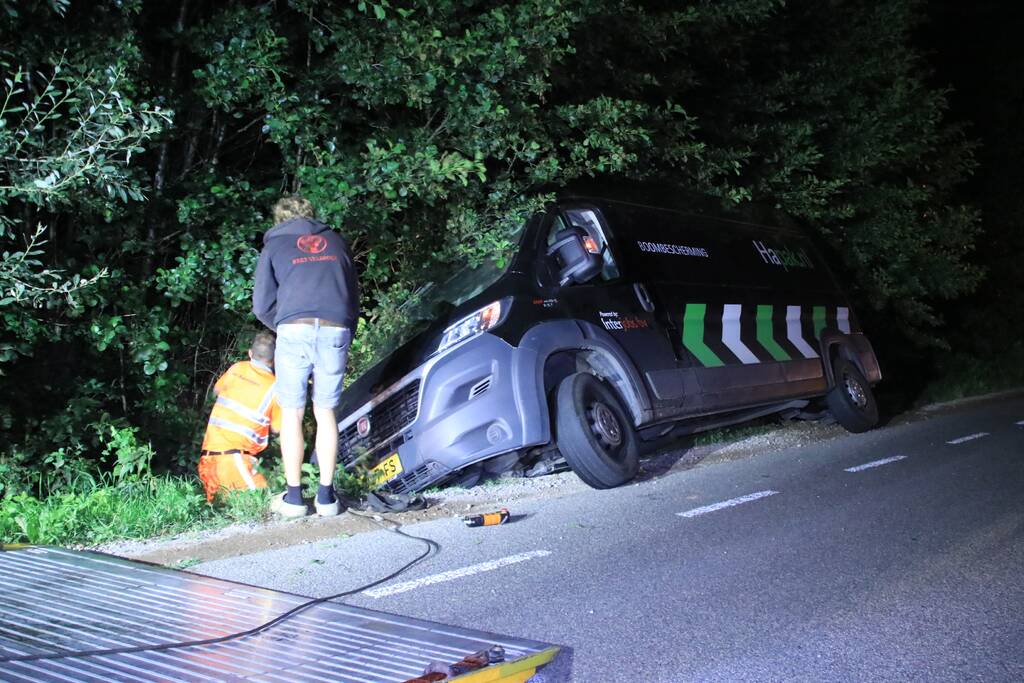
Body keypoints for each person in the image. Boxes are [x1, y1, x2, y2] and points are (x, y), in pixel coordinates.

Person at [252, 195, 359, 518]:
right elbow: (352, 294)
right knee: (326, 412)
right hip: (335, 328)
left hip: (294, 330)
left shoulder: (275, 246)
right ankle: (327, 498)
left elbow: (261, 304)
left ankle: (295, 499)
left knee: (293, 413)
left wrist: (285, 325)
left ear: (280, 219)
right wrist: (345, 330)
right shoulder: (336, 242)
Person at [198, 331, 281, 502]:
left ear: (250, 353)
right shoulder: (275, 388)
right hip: (234, 461)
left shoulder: (236, 368)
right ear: (274, 360)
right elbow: (278, 428)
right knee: (263, 505)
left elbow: (216, 391)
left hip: (208, 460)